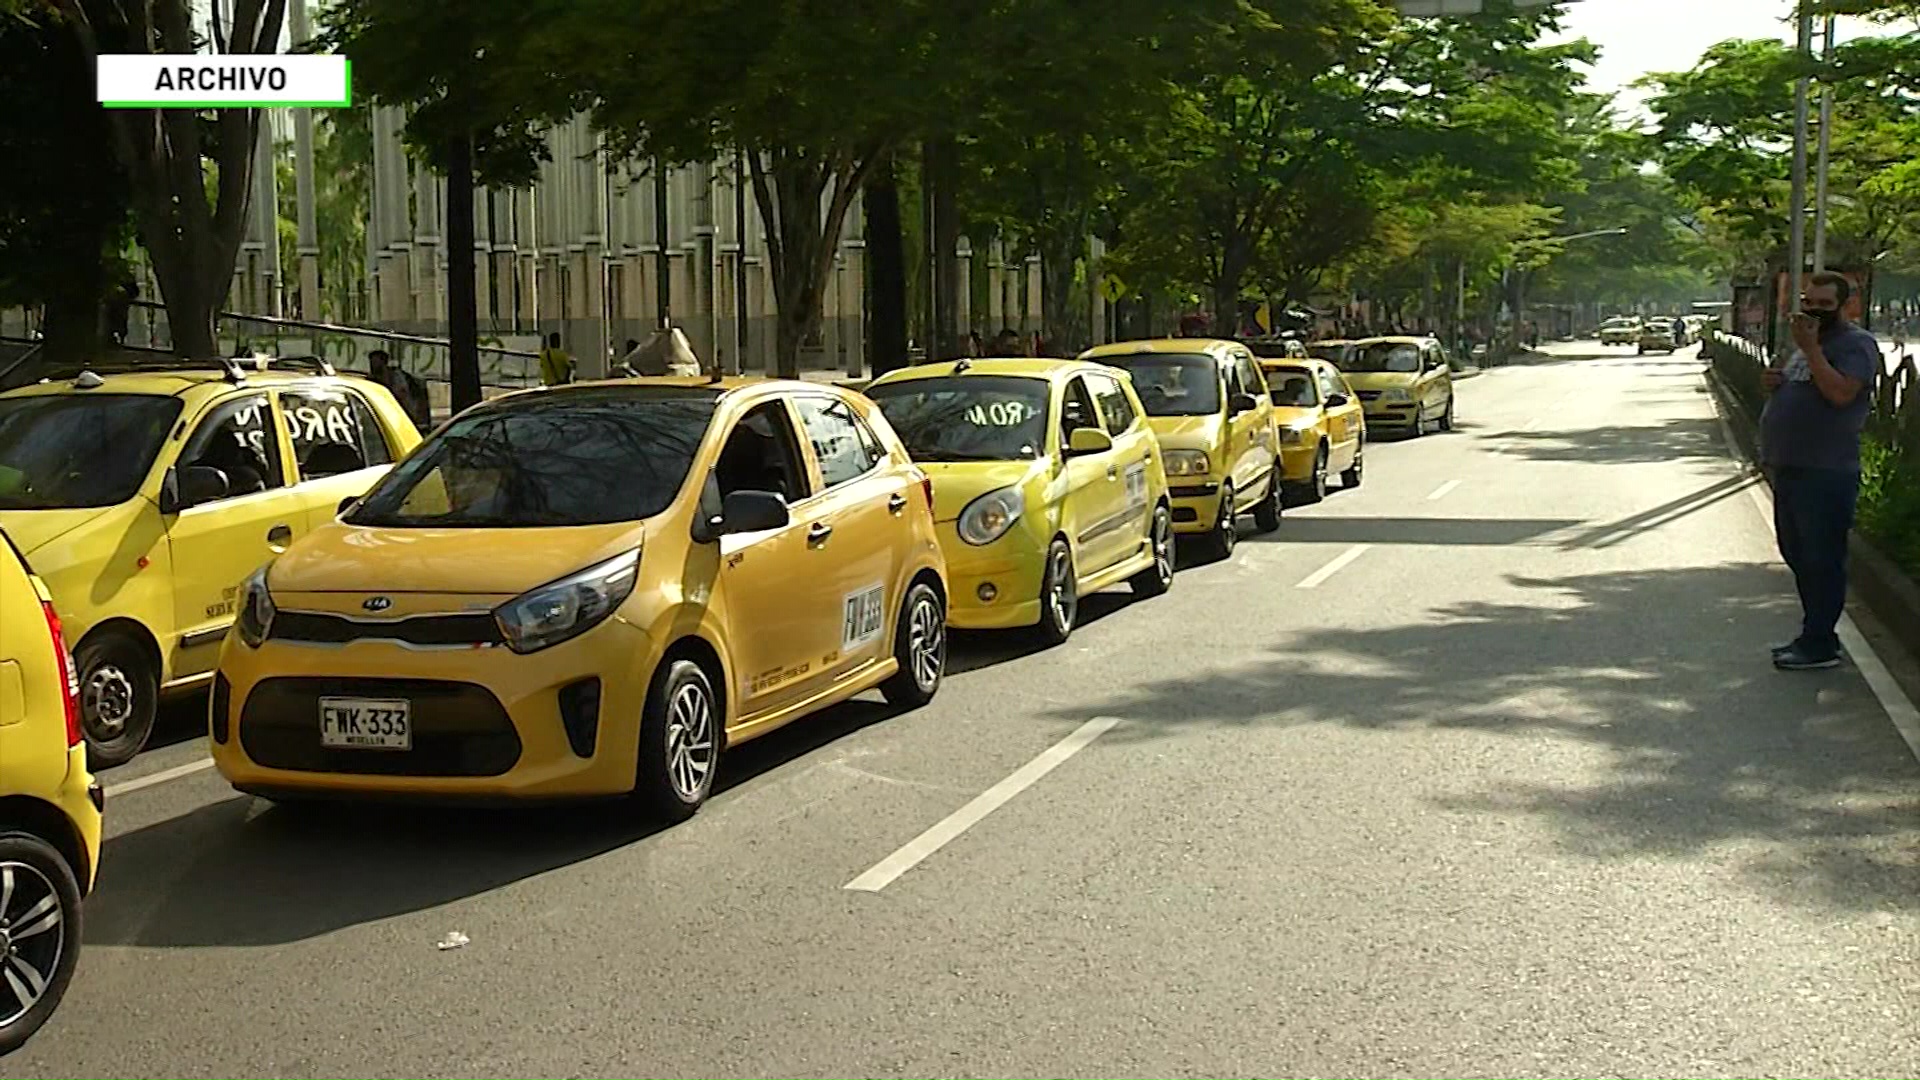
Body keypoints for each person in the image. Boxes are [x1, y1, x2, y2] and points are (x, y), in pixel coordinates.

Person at [1760, 271, 1880, 671]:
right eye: (1809, 302)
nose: (1814, 311)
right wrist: (1776, 382)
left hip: (1826, 470)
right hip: (1791, 466)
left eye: (1825, 305)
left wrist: (1811, 350)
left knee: (1822, 559)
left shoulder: (1854, 345)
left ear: (1843, 307)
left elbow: (1842, 394)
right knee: (1797, 554)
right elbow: (1802, 386)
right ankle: (1814, 633)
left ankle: (1820, 643)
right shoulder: (1805, 344)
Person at [368, 349, 430, 429]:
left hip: (403, 414)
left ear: (384, 362)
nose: (373, 365)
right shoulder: (371, 377)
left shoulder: (397, 377)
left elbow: (400, 395)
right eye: (372, 362)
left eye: (375, 362)